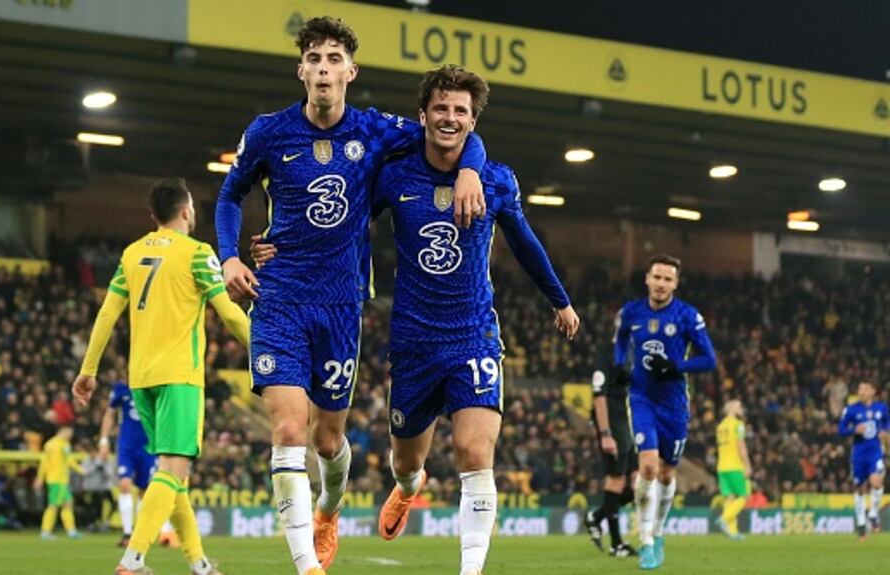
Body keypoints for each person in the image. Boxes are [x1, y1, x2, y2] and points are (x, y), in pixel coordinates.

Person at [253, 64, 579, 575]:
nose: (450, 118)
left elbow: (525, 243)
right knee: (406, 464)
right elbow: (343, 218)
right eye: (442, 108)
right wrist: (285, 247)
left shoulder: (495, 180)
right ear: (423, 114)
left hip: (473, 334)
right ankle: (408, 490)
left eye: (461, 112)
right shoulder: (395, 174)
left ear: (474, 123)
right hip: (413, 341)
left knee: (475, 451)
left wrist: (559, 300)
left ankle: (470, 570)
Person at [214, 16, 487, 575]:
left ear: (350, 72)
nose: (323, 68)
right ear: (301, 70)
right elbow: (228, 194)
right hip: (280, 297)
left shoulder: (375, 130)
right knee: (288, 429)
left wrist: (471, 171)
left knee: (327, 439)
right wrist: (231, 254)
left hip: (340, 307)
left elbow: (452, 129)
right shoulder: (269, 132)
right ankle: (305, 566)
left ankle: (329, 509)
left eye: (334, 59)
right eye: (314, 58)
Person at [73, 177, 249, 575]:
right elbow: (229, 313)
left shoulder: (132, 253)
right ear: (187, 211)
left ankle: (199, 564)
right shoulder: (197, 253)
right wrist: (268, 351)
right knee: (172, 470)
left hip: (141, 379)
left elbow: (107, 315)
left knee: (174, 476)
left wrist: (88, 370)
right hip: (180, 377)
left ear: (153, 216)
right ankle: (132, 560)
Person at [612, 254, 716, 570]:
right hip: (641, 397)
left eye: (668, 279)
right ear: (647, 279)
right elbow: (619, 342)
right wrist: (620, 366)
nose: (661, 284)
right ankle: (645, 540)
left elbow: (709, 359)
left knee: (668, 473)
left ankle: (658, 531)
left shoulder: (687, 316)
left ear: (676, 283)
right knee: (647, 469)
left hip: (674, 404)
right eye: (657, 277)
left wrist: (676, 366)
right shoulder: (631, 312)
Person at [98, 372, 178, 548]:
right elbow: (110, 414)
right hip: (126, 446)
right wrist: (103, 441)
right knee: (125, 484)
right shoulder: (121, 389)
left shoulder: (152, 387)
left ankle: (145, 532)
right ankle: (127, 533)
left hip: (148, 447)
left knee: (146, 491)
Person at [584, 349, 638, 557]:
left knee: (637, 483)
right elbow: (598, 395)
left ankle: (596, 517)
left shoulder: (635, 353)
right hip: (613, 423)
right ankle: (617, 544)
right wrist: (605, 433)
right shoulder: (607, 354)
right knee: (616, 479)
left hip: (628, 421)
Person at [838, 381, 889, 539]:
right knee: (860, 488)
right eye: (860, 389)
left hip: (875, 452)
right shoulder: (851, 410)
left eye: (865, 389)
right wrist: (854, 430)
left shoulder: (881, 408)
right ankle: (861, 523)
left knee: (876, 482)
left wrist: (885, 431)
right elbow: (841, 430)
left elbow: (887, 423)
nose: (862, 392)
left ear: (873, 391)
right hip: (859, 454)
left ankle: (873, 514)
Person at [34, 426, 83, 539]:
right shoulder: (63, 444)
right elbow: (69, 460)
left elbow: (44, 462)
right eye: (70, 432)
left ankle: (71, 531)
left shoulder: (49, 444)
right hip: (58, 480)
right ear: (64, 431)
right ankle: (45, 531)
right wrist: (81, 470)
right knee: (53, 506)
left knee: (68, 503)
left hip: (56, 480)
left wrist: (40, 477)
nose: (70, 435)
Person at [715, 399, 751, 540]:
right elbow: (741, 446)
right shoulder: (738, 425)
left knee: (730, 497)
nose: (742, 409)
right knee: (744, 495)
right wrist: (747, 464)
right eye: (740, 406)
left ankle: (732, 532)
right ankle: (724, 519)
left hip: (722, 467)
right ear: (733, 409)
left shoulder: (720, 426)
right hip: (735, 466)